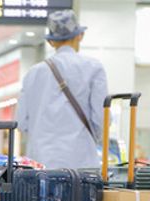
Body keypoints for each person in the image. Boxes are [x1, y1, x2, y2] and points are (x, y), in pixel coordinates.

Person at [17, 10, 108, 170]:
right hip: (81, 162)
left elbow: (22, 122)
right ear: (80, 36)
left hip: (40, 163)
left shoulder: (33, 73)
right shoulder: (94, 68)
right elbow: (100, 118)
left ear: (51, 42)